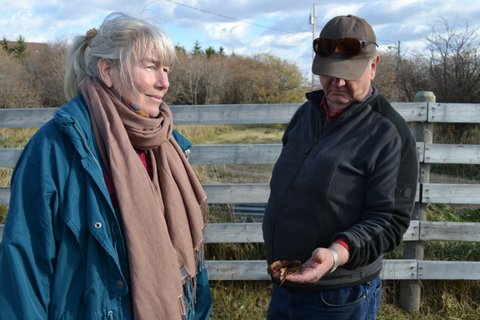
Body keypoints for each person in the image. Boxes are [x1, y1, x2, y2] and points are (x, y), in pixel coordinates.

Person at [0, 12, 212, 320]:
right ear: (107, 71)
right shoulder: (54, 149)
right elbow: (25, 270)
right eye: (151, 66)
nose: (164, 82)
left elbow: (193, 268)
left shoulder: (170, 147)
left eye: (166, 69)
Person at [262, 14, 418, 319]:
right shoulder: (306, 115)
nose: (337, 83)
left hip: (340, 297)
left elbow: (389, 222)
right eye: (329, 73)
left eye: (348, 74)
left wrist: (336, 255)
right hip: (286, 283)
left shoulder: (389, 133)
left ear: (374, 66)